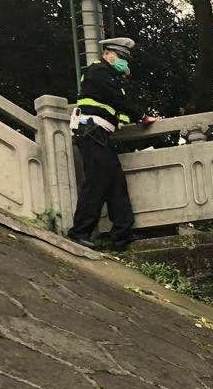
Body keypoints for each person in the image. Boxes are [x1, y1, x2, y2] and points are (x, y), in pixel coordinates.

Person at [67, 37, 158, 250]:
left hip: (100, 134)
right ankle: (79, 232)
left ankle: (122, 235)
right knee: (97, 181)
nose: (125, 63)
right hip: (91, 131)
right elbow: (119, 101)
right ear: (108, 54)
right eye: (121, 57)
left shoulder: (113, 78)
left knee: (116, 182)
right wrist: (142, 116)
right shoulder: (98, 71)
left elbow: (117, 110)